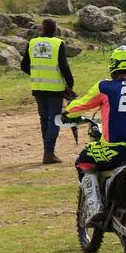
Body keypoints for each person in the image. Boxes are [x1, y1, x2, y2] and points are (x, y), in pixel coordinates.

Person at [63, 47, 126, 226]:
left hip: (114, 149)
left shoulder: (105, 86)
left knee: (83, 161)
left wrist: (67, 112)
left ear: (113, 66)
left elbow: (82, 104)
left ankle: (94, 206)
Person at [20, 18, 75, 164]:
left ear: (42, 29)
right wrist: (70, 83)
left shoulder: (32, 43)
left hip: (38, 87)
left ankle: (48, 151)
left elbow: (24, 65)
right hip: (55, 88)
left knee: (44, 119)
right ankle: (49, 152)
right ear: (55, 30)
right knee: (55, 119)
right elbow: (64, 66)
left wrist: (37, 75)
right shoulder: (58, 44)